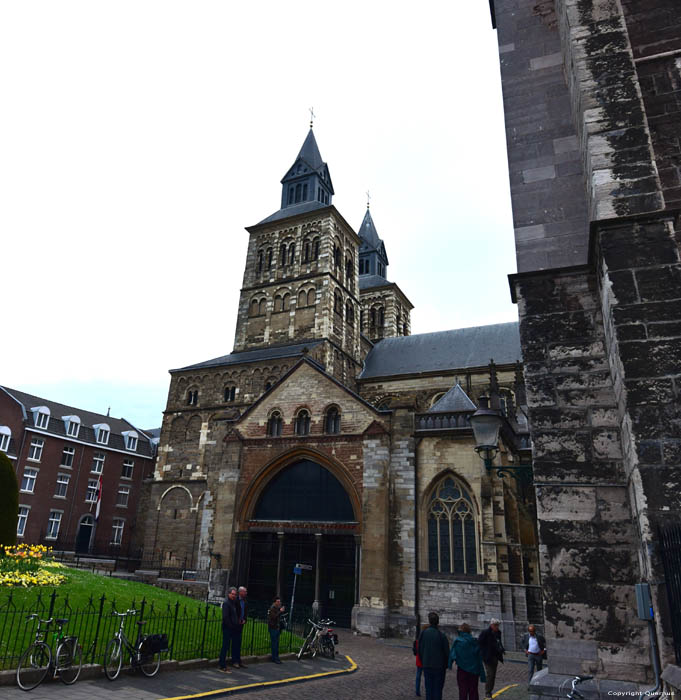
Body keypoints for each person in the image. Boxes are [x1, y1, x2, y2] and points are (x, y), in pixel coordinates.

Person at [448, 623, 486, 700]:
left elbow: (452, 655)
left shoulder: (458, 642)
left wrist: (450, 664)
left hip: (462, 671)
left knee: (463, 691)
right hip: (474, 671)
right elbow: (479, 659)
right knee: (473, 692)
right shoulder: (475, 642)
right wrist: (482, 674)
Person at [417, 612, 450, 700]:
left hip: (427, 665)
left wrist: (423, 661)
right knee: (438, 691)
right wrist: (446, 665)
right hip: (439, 667)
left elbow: (419, 650)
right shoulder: (441, 636)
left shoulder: (423, 633)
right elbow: (447, 653)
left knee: (429, 690)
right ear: (437, 622)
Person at [478, 618, 504, 699]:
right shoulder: (485, 632)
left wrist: (501, 649)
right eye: (495, 625)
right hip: (487, 657)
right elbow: (479, 642)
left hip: (495, 656)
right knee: (490, 674)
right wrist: (484, 652)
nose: (497, 627)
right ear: (491, 625)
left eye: (498, 625)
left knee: (493, 675)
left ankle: (490, 691)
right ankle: (487, 692)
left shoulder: (498, 633)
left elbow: (499, 642)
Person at [218, 587, 239, 673]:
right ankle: (222, 665)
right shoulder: (227, 603)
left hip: (232, 628)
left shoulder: (233, 603)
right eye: (232, 594)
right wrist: (231, 626)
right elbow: (225, 617)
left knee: (228, 646)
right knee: (225, 646)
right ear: (229, 594)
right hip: (227, 628)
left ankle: (224, 664)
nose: (234, 596)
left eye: (235, 594)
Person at [231, 586, 249, 668]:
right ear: (240, 592)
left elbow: (245, 612)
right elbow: (233, 612)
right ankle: (234, 661)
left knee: (239, 643)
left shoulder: (245, 601)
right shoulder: (235, 600)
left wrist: (245, 619)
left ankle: (239, 660)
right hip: (235, 624)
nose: (246, 593)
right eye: (244, 591)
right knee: (235, 643)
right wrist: (236, 620)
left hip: (241, 624)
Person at [267, 596, 286, 664]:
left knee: (276, 643)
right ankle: (274, 658)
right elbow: (274, 617)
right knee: (274, 643)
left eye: (279, 601)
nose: (279, 603)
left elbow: (278, 617)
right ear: (274, 602)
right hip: (273, 627)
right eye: (277, 602)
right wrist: (280, 611)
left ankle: (276, 657)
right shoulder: (272, 608)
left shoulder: (277, 608)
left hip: (277, 627)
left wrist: (281, 611)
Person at [413, 631, 423, 696]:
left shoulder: (416, 641)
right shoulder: (425, 641)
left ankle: (417, 691)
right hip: (425, 661)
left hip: (419, 660)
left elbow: (415, 653)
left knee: (418, 676)